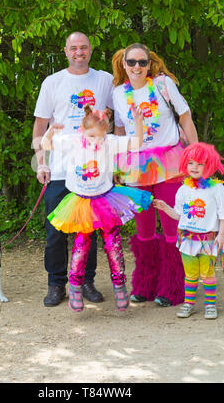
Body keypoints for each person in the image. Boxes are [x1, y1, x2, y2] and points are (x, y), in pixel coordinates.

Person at [41, 104, 153, 312]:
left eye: (101, 136)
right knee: (81, 244)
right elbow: (45, 145)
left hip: (105, 199)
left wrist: (138, 121)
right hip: (81, 202)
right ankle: (75, 288)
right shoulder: (73, 142)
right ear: (83, 131)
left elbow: (136, 142)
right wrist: (51, 131)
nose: (97, 141)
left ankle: (120, 286)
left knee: (113, 244)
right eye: (92, 136)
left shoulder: (109, 143)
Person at [112, 43, 198, 307]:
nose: (137, 67)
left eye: (142, 62)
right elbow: (119, 131)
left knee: (172, 226)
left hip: (169, 161)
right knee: (144, 229)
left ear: (149, 65)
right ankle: (145, 285)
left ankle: (173, 288)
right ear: (123, 64)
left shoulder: (163, 85)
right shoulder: (118, 93)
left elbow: (185, 118)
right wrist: (117, 166)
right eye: (132, 62)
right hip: (136, 165)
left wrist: (195, 155)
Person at [33, 32, 114, 307]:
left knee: (87, 229)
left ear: (91, 50)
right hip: (58, 169)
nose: (79, 52)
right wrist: (40, 162)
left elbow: (122, 116)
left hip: (92, 170)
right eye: (74, 48)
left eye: (84, 48)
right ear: (66, 51)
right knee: (55, 229)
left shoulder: (104, 80)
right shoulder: (53, 82)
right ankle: (56, 284)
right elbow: (40, 125)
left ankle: (86, 281)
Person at [153, 142, 224, 319]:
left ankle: (210, 306)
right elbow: (179, 215)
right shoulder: (183, 189)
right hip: (187, 241)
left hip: (208, 241)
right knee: (190, 274)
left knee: (207, 274)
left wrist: (221, 235)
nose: (194, 167)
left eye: (200, 163)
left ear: (209, 165)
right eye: (191, 163)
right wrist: (166, 208)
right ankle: (189, 304)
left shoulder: (217, 189)